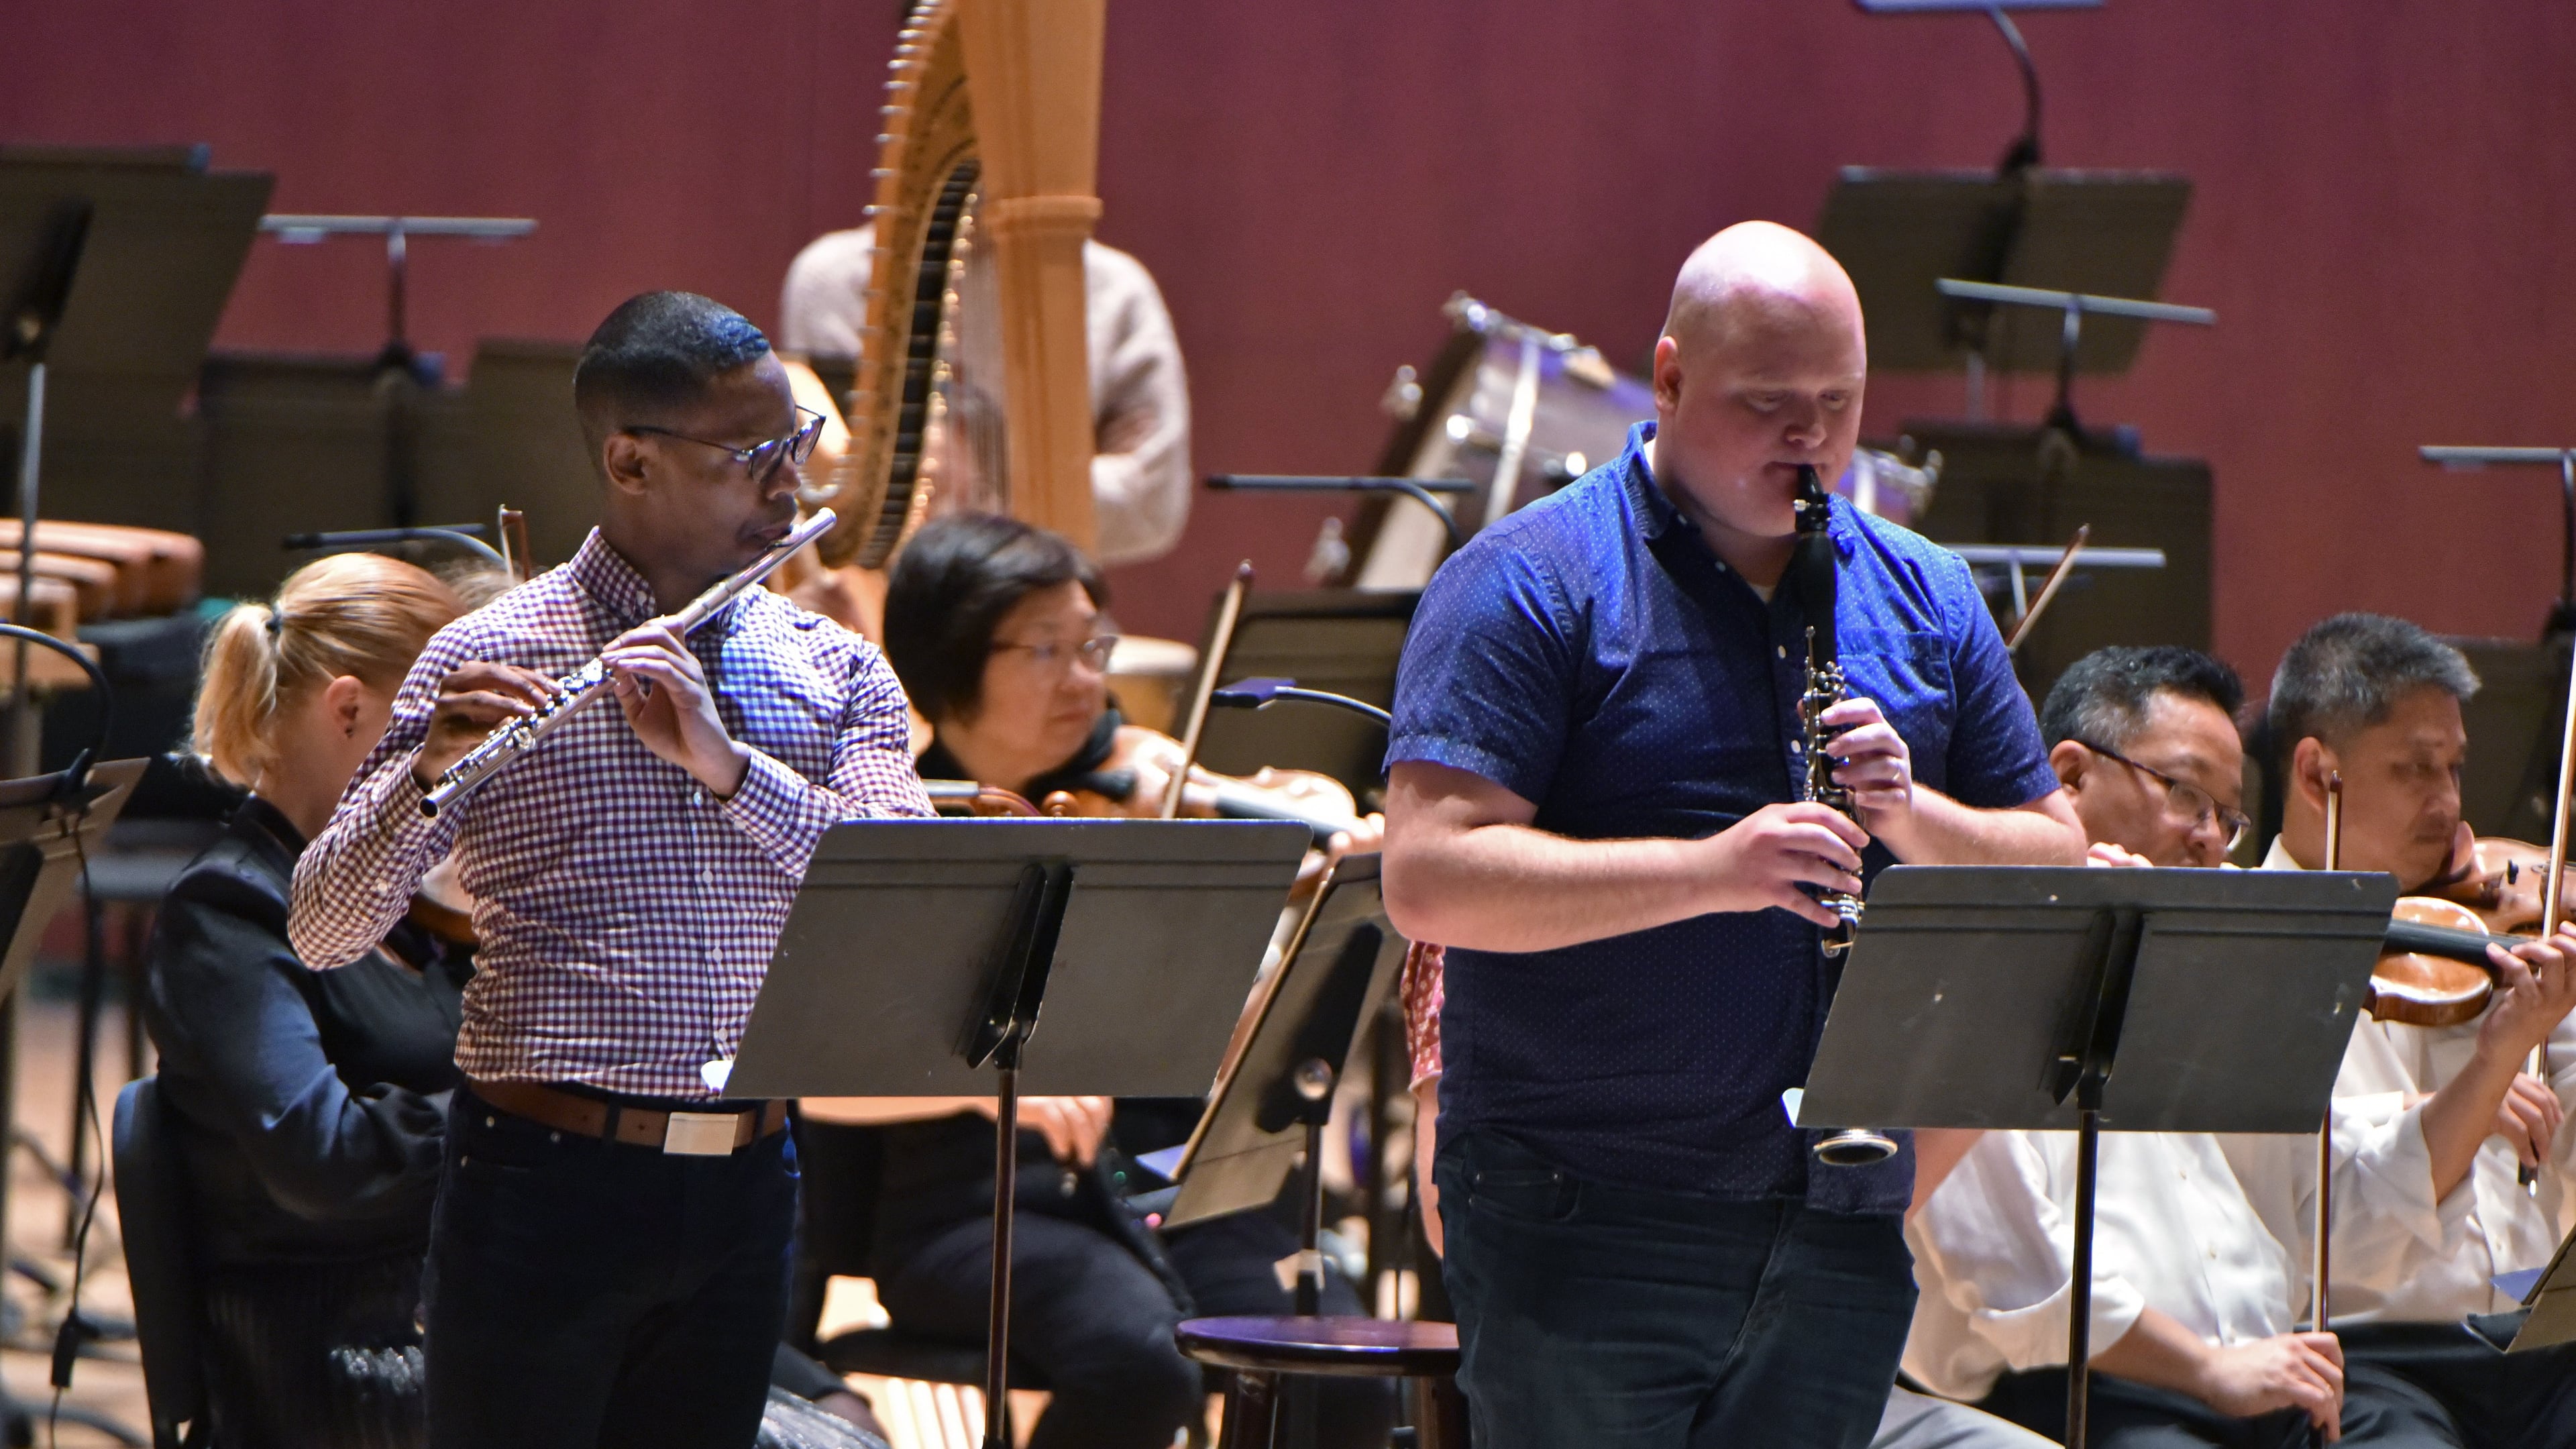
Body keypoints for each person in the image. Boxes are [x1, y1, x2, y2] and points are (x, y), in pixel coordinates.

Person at [1377, 219, 2086, 1449]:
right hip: (1583, 1212)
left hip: (1838, 1214)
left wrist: (1911, 817)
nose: (1811, 437)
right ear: (1667, 378)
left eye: (1838, 401)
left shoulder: (1921, 588)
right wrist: (1716, 872)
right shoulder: (1531, 580)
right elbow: (1431, 875)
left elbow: (2056, 857)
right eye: (1768, 404)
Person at [289, 291, 933, 1449]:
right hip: (539, 1185)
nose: (790, 488)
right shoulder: (486, 654)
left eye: (795, 450)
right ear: (631, 463)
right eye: (754, 459)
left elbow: (910, 900)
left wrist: (733, 770)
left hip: (749, 1179)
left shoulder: (836, 669)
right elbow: (326, 932)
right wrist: (420, 783)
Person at [794, 511, 1395, 1449]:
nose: (1089, 680)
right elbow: (812, 1078)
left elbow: (1237, 1044)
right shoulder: (901, 833)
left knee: (1342, 1373)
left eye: (1094, 647)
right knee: (1135, 1362)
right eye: (1048, 651)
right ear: (950, 664)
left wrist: (1273, 883)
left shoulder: (1141, 803)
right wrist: (992, 1093)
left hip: (1161, 1194)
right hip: (979, 1218)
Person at [144, 552, 468, 1447]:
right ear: (350, 709)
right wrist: (520, 1112)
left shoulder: (415, 907)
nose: (468, 770)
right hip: (335, 1368)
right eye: (449, 730)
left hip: (462, 1321)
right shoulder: (230, 915)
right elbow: (323, 1160)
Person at [2240, 614, 2576, 1447]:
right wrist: (2477, 1085)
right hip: (2364, 1358)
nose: (2453, 804)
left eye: (2456, 768)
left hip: (2531, 1342)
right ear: (2320, 774)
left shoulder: (2483, 940)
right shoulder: (2242, 955)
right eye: (2417, 770)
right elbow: (2337, 1239)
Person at [780, 223, 1191, 568]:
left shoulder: (1117, 289)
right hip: (876, 611)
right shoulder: (830, 282)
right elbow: (825, 480)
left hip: (1045, 605)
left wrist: (984, 477)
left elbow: (1153, 505)